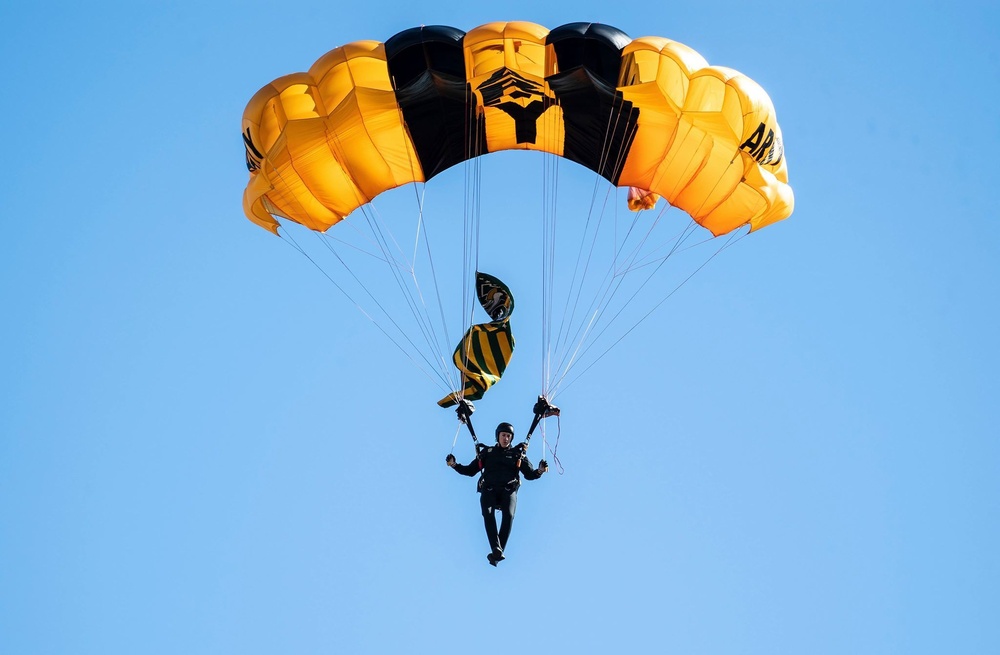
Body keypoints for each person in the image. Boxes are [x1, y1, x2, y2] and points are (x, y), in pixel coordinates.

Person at [446, 421, 548, 566]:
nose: (505, 439)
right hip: (489, 490)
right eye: (503, 435)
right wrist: (454, 465)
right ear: (498, 436)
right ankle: (495, 548)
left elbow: (529, 474)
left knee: (509, 515)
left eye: (508, 436)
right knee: (488, 513)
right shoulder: (487, 453)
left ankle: (497, 552)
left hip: (508, 490)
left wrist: (540, 470)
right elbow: (470, 471)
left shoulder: (517, 454)